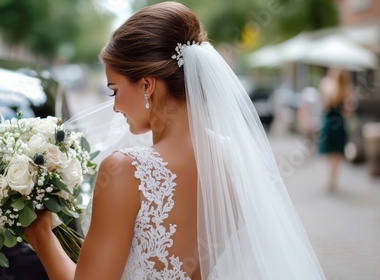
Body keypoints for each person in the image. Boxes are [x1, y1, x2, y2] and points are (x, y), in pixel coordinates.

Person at [24, 2, 326, 279]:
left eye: (114, 90)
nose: (114, 106)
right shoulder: (235, 158)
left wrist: (41, 236)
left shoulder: (126, 171)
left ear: (146, 85)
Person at [318, 68, 351, 192]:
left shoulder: (327, 87)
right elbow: (348, 112)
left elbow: (323, 106)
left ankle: (330, 176)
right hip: (340, 125)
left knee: (330, 152)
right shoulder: (346, 89)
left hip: (328, 124)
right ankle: (334, 177)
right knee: (337, 153)